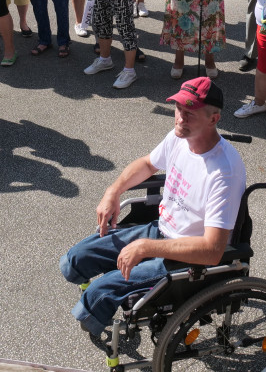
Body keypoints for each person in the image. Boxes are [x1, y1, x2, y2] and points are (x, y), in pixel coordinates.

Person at [60, 76, 246, 339]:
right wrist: (112, 191)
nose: (180, 118)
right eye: (179, 109)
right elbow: (148, 165)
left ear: (213, 119)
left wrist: (146, 248)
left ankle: (96, 313)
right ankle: (97, 302)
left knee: (99, 293)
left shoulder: (224, 172)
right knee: (76, 258)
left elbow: (213, 250)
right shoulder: (179, 137)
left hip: (185, 258)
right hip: (159, 229)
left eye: (190, 112)